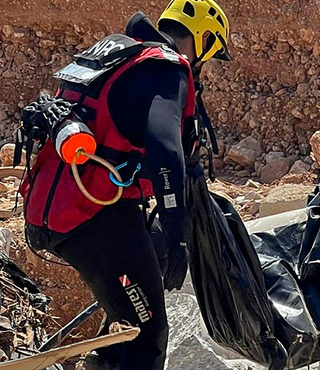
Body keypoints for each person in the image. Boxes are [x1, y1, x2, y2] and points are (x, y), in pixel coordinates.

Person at [18, 1, 232, 369]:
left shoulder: (119, 53)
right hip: (90, 216)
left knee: (128, 317)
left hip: (49, 205)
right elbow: (167, 150)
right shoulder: (166, 69)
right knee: (148, 337)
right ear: (204, 39)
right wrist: (179, 234)